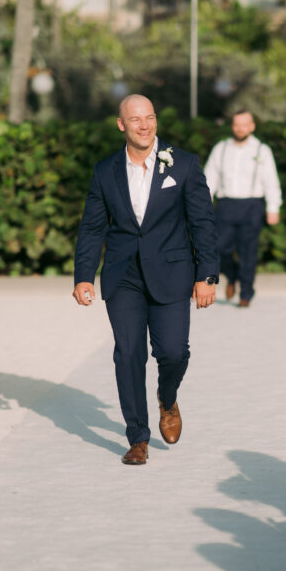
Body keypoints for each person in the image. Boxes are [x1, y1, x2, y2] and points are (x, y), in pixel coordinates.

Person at [72, 94, 219, 465]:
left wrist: (207, 275)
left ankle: (167, 398)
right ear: (121, 124)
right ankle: (137, 437)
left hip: (172, 272)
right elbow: (92, 227)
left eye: (150, 117)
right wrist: (83, 275)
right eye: (135, 119)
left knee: (173, 352)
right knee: (128, 354)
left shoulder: (182, 164)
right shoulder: (105, 171)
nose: (144, 125)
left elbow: (202, 223)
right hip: (123, 276)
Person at [203, 110, 282, 307]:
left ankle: (246, 293)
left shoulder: (261, 150)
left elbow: (271, 180)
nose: (240, 129)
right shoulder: (221, 148)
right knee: (219, 249)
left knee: (248, 252)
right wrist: (203, 204)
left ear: (252, 126)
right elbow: (209, 178)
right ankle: (233, 276)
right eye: (237, 124)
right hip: (226, 205)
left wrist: (273, 207)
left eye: (244, 125)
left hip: (252, 205)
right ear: (232, 126)